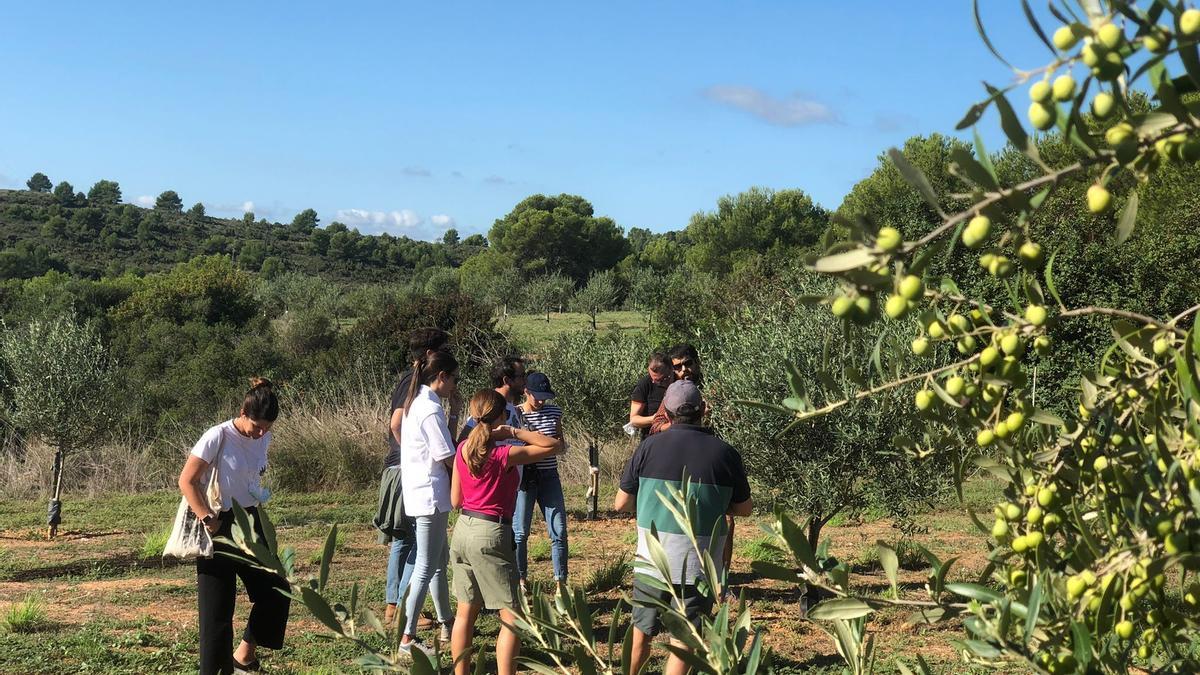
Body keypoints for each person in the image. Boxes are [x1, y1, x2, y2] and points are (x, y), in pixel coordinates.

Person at [615, 380, 752, 675]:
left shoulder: (648, 447)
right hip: (699, 567)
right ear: (703, 410)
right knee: (685, 640)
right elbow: (744, 509)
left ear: (665, 411)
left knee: (641, 633)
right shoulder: (726, 453)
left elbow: (621, 503)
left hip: (653, 562)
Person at [449, 389, 565, 675]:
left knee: (466, 611)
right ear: (501, 415)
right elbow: (554, 445)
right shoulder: (505, 454)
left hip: (463, 529)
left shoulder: (462, 449)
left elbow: (455, 501)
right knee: (512, 616)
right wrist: (513, 431)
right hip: (492, 531)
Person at [178, 378, 289, 675]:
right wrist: (208, 520)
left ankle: (243, 655)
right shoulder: (217, 436)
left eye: (267, 427)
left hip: (250, 522)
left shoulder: (263, 437)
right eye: (257, 426)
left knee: (277, 589)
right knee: (217, 612)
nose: (262, 433)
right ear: (243, 412)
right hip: (216, 522)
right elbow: (186, 481)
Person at [377, 328, 453, 626]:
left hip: (411, 474)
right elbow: (396, 423)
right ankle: (406, 618)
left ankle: (401, 607)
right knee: (418, 550)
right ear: (432, 355)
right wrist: (409, 452)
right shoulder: (418, 388)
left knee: (415, 547)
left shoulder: (417, 388)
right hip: (414, 475)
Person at [398, 350, 460, 657]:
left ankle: (446, 618)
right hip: (431, 494)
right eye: (454, 380)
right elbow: (446, 454)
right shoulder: (430, 409)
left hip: (420, 491)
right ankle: (406, 636)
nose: (454, 386)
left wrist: (455, 411)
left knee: (438, 560)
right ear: (441, 377)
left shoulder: (418, 403)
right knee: (426, 565)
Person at [513, 371, 569, 590]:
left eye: (544, 396)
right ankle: (521, 579)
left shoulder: (554, 412)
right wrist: (546, 446)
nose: (541, 400)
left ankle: (561, 582)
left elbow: (560, 445)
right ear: (526, 391)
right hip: (525, 477)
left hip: (549, 475)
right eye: (537, 396)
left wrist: (540, 445)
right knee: (521, 531)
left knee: (559, 529)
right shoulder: (517, 414)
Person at [629, 351, 672, 439]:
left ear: (671, 369)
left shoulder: (681, 382)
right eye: (652, 378)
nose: (654, 382)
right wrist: (655, 418)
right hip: (652, 440)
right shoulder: (645, 384)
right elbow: (634, 420)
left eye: (660, 379)